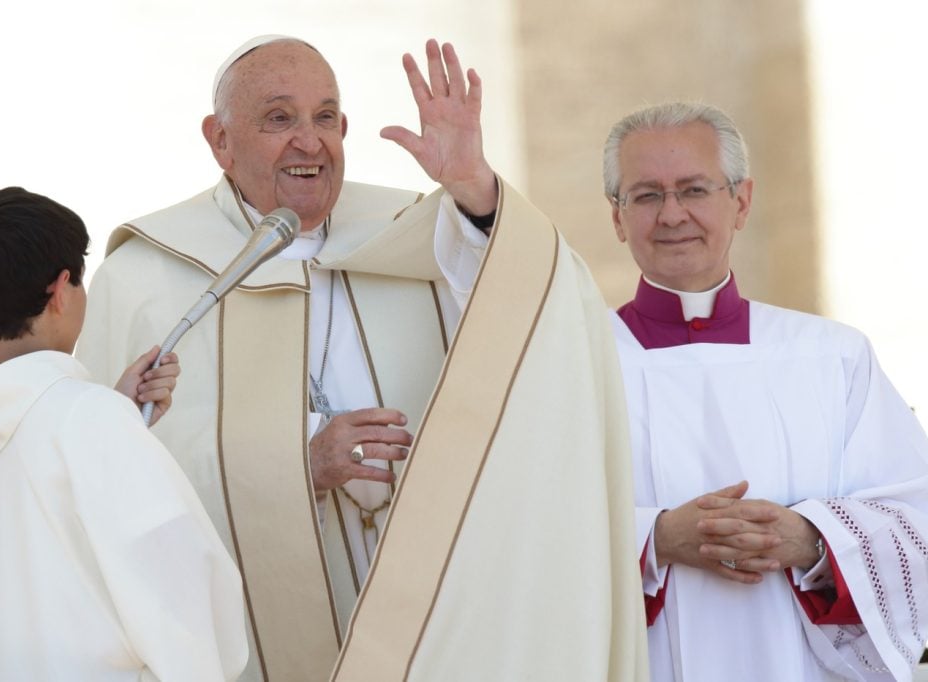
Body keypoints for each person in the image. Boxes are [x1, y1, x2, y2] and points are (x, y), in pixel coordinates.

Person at [79, 36, 649, 681]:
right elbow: (108, 479)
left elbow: (550, 310)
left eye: (325, 118)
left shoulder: (418, 231)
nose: (309, 140)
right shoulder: (149, 276)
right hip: (247, 629)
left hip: (424, 616)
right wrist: (295, 466)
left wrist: (475, 189)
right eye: (278, 118)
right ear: (220, 140)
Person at [604, 102, 928, 681]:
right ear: (617, 217)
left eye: (694, 189)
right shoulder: (575, 362)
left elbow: (916, 519)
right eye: (646, 195)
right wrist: (654, 539)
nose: (672, 214)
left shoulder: (833, 355)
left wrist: (814, 539)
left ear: (741, 201)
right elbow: (520, 526)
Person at [0, 187, 248, 681]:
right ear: (60, 289)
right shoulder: (89, 419)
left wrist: (112, 411)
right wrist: (109, 420)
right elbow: (184, 595)